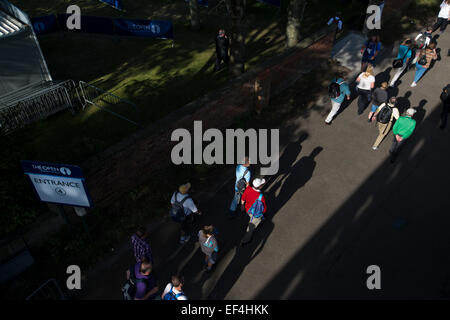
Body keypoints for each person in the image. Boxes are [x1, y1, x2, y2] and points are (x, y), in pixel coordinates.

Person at [240, 178, 267, 246]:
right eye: (262, 184)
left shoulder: (248, 189)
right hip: (255, 213)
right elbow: (264, 209)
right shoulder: (261, 196)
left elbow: (243, 198)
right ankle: (245, 240)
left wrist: (242, 205)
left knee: (249, 218)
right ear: (260, 186)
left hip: (248, 209)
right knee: (250, 228)